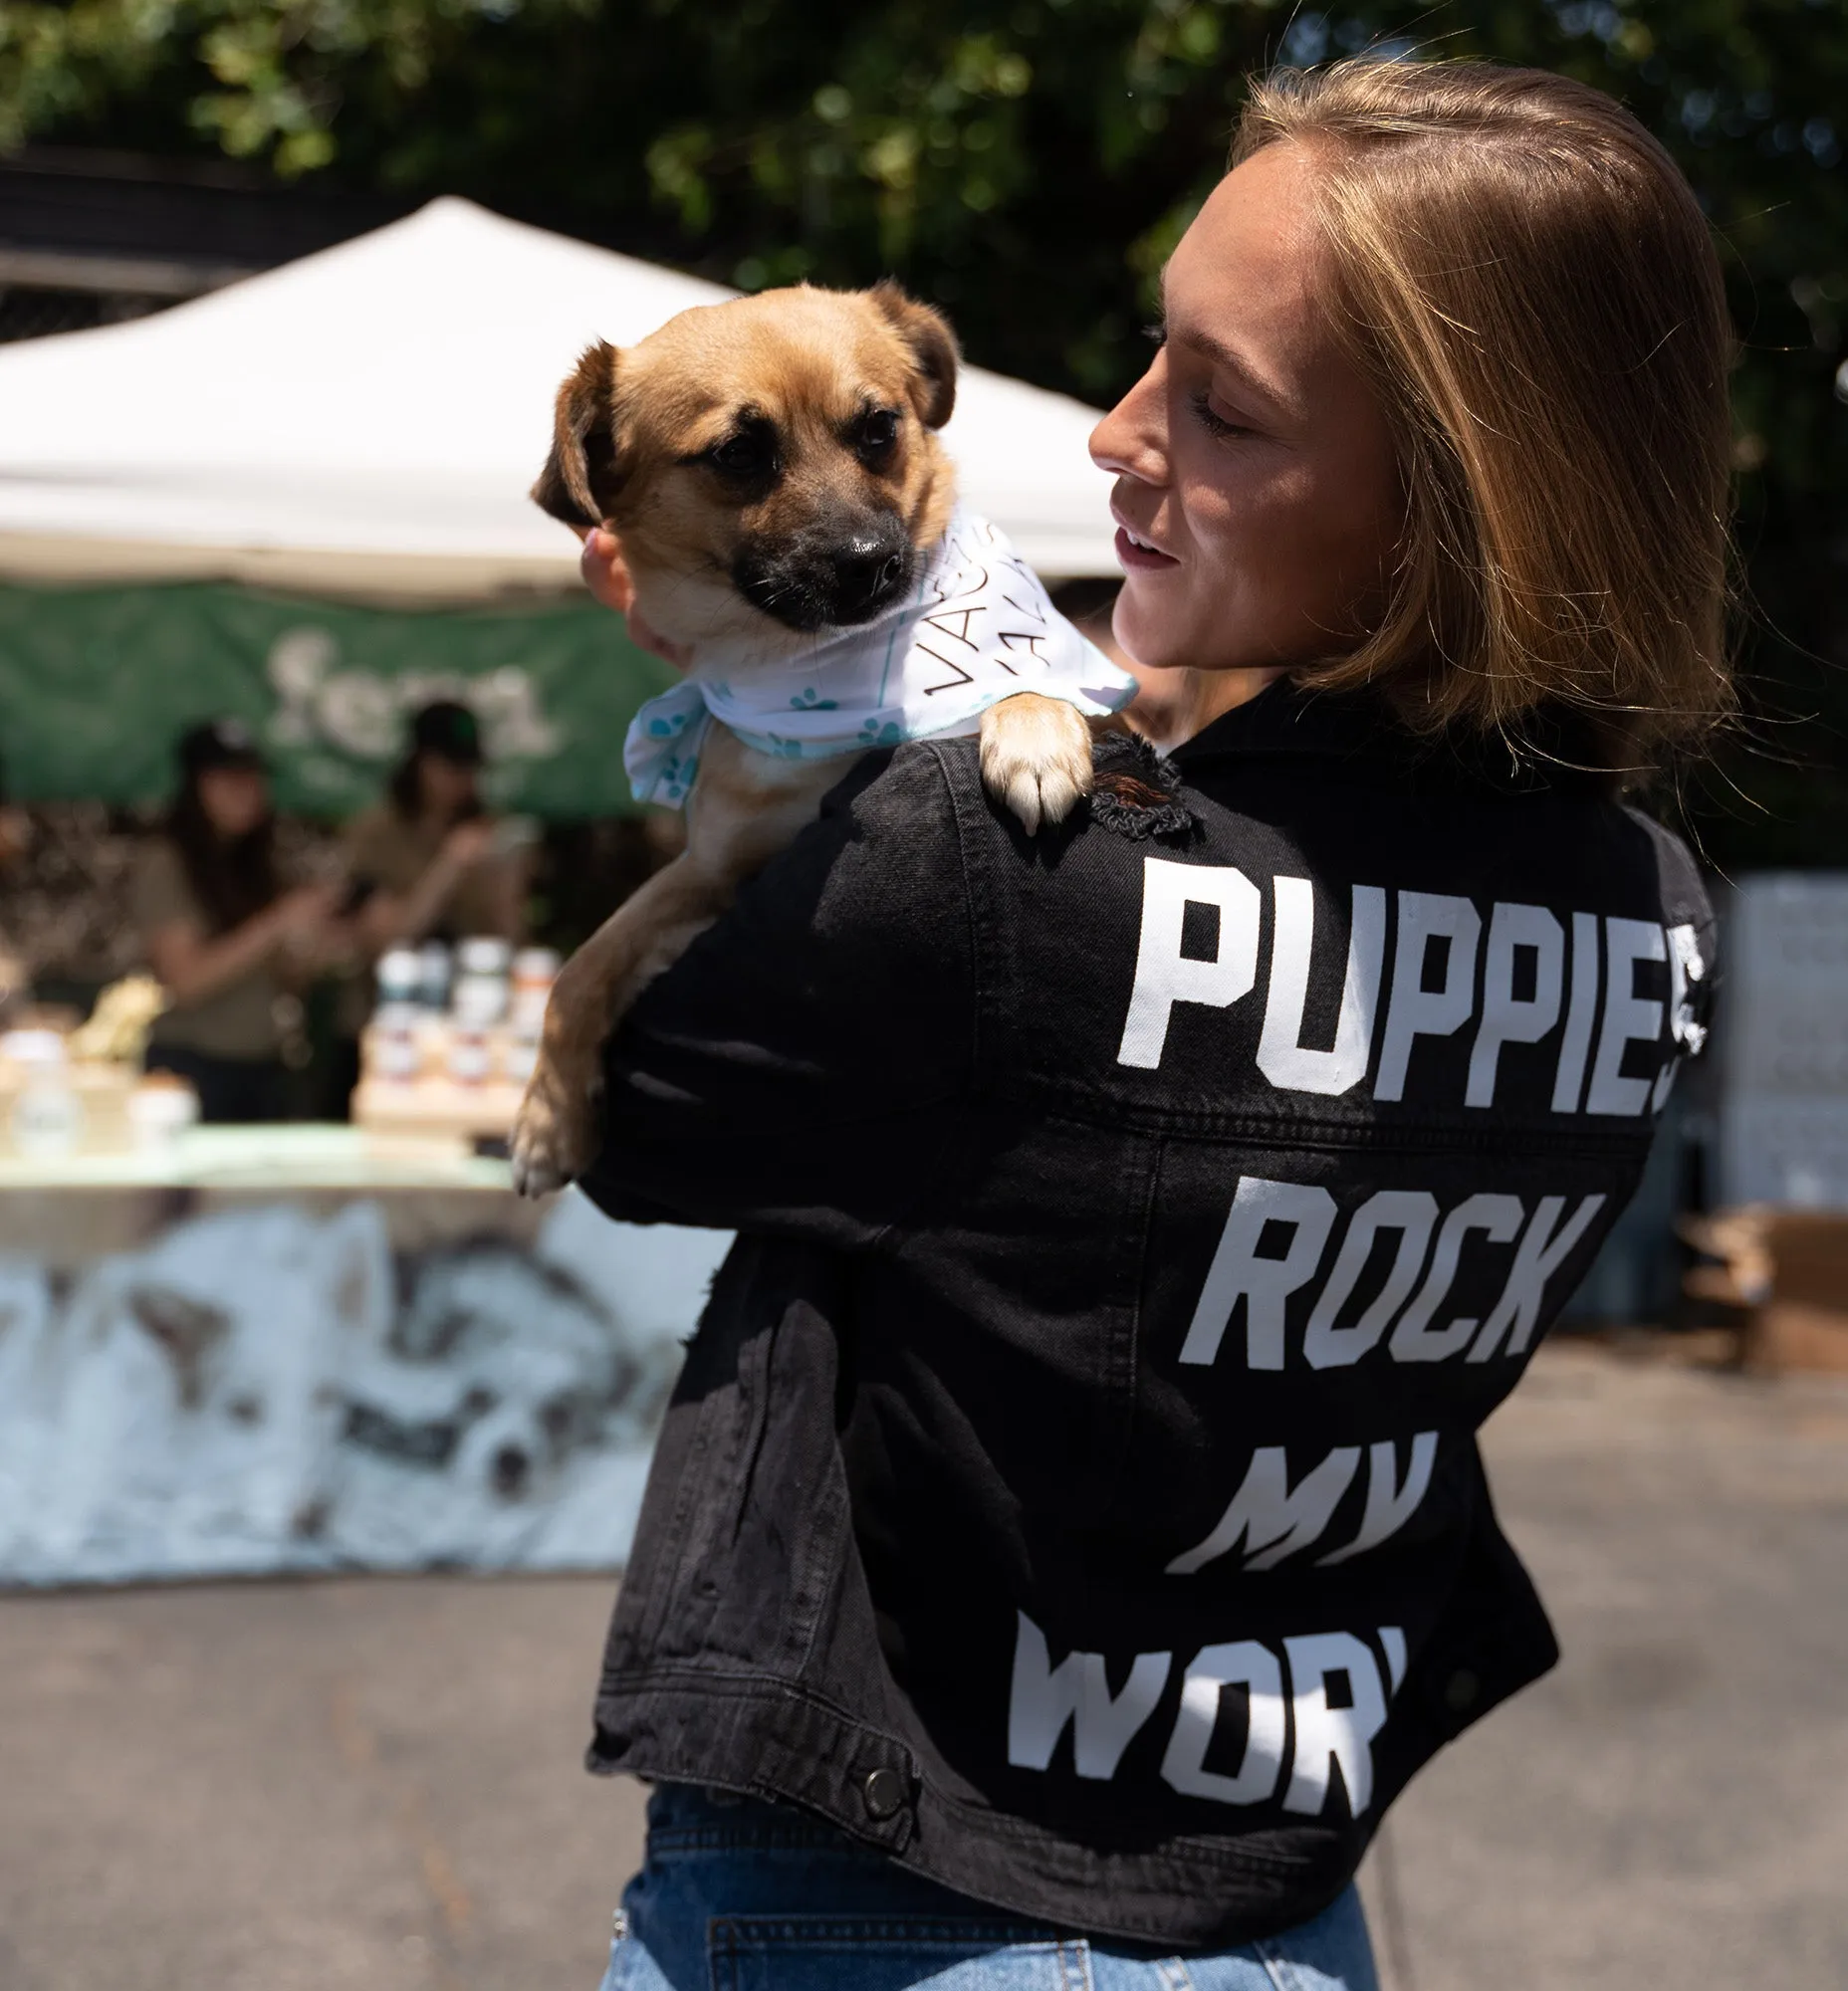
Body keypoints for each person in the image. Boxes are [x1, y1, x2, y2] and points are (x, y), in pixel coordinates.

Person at [574, 59, 1728, 1990]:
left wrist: (769, 711)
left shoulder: (987, 864)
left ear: (1454, 503)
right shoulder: (1646, 914)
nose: (1114, 435)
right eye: (1148, 355)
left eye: (1221, 403)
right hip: (1275, 1904)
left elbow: (630, 1107)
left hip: (889, 1893)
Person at [324, 700, 526, 1111]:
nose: (462, 781)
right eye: (450, 767)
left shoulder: (491, 833)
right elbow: (385, 939)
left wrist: (506, 886)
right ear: (420, 764)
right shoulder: (373, 835)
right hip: (383, 1032)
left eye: (469, 768)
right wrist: (450, 864)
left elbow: (511, 944)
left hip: (467, 1036)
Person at [134, 720, 338, 1123]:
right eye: (231, 781)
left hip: (265, 1065)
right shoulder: (167, 863)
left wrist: (317, 944)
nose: (249, 794)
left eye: (254, 779)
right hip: (194, 1069)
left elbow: (284, 978)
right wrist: (278, 921)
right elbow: (186, 981)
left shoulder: (255, 864)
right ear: (197, 787)